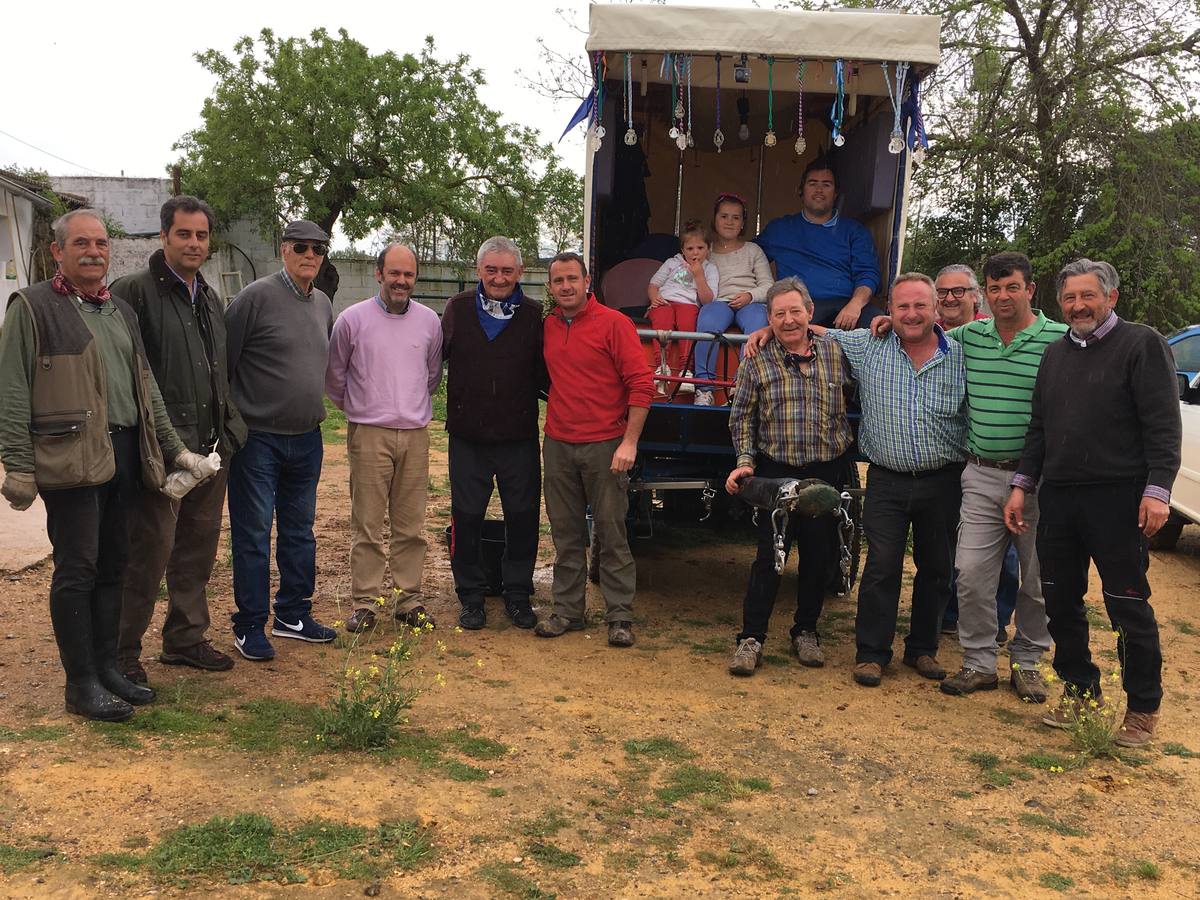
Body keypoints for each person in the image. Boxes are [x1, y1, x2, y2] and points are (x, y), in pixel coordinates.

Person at [0, 209, 207, 721]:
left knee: (116, 563)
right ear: (58, 252)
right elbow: (12, 391)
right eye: (82, 244)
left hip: (125, 454)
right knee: (78, 569)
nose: (94, 252)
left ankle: (109, 667)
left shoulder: (117, 310)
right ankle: (81, 683)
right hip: (70, 458)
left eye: (101, 244)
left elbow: (146, 387)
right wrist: (18, 465)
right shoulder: (32, 307)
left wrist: (175, 449)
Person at [746, 273, 966, 686]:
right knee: (881, 567)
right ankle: (872, 653)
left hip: (944, 479)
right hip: (887, 479)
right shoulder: (867, 344)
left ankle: (923, 649)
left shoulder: (962, 352)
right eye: (902, 306)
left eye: (920, 305)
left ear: (936, 309)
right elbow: (806, 332)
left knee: (937, 568)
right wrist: (767, 328)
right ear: (889, 311)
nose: (911, 314)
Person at [1005, 259, 1181, 747]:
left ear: (1111, 298)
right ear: (1059, 303)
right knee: (1059, 601)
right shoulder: (1055, 354)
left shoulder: (1142, 344)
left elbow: (1164, 425)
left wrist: (1157, 490)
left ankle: (1143, 708)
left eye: (1088, 296)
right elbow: (1038, 428)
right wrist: (1022, 485)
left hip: (1119, 498)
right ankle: (1081, 691)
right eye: (1069, 298)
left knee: (1127, 605)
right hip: (1059, 498)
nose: (1078, 306)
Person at [876, 253, 1065, 701]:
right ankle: (980, 663)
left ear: (1029, 290)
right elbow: (919, 332)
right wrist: (883, 323)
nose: (1003, 296)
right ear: (987, 292)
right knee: (970, 573)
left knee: (1037, 578)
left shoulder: (1058, 340)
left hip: (1039, 479)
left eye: (1012, 287)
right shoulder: (967, 337)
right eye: (995, 288)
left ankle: (1028, 662)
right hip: (980, 473)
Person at [111, 196, 245, 683]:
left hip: (211, 451)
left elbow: (217, 371)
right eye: (184, 234)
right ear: (163, 236)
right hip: (162, 456)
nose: (193, 243)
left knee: (196, 550)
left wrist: (228, 433)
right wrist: (160, 447)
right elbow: (127, 375)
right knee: (147, 553)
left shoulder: (208, 296)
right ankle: (122, 651)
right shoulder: (133, 293)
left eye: (201, 235)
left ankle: (184, 638)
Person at [725, 277, 854, 676]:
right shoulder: (756, 358)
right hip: (777, 472)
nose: (788, 320)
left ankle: (806, 631)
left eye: (795, 311)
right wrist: (745, 461)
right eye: (778, 313)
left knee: (819, 557)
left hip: (826, 470)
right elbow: (742, 416)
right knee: (770, 557)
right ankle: (751, 638)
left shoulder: (839, 352)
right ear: (769, 319)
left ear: (810, 313)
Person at [225, 220, 337, 660]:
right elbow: (225, 363)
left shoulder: (323, 303)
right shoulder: (255, 297)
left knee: (299, 533)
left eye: (319, 249)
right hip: (259, 441)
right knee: (253, 535)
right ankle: (249, 624)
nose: (311, 255)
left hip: (307, 438)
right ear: (284, 250)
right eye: (303, 247)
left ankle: (292, 614)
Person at [536, 252, 654, 647]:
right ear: (550, 287)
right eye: (558, 281)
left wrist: (630, 443)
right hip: (558, 443)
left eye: (573, 278)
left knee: (611, 531)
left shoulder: (615, 324)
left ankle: (619, 616)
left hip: (606, 444)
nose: (566, 286)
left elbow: (641, 385)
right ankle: (568, 611)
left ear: (587, 282)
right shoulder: (548, 327)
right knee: (566, 533)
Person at [328, 243, 442, 635]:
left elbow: (431, 377)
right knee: (368, 523)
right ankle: (365, 603)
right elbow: (336, 377)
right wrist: (365, 409)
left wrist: (404, 407)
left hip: (414, 433)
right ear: (379, 274)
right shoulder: (351, 320)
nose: (401, 281)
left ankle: (409, 600)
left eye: (408, 274)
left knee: (411, 525)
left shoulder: (430, 322)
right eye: (394, 273)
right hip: (369, 433)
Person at [440, 237, 544, 631]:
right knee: (466, 518)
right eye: (491, 270)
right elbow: (431, 357)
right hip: (468, 438)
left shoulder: (534, 316)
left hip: (517, 437)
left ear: (519, 273)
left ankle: (517, 594)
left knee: (523, 518)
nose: (499, 278)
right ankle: (471, 596)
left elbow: (545, 374)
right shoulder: (458, 309)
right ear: (478, 270)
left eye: (506, 270)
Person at [754, 158, 883, 330]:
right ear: (801, 190)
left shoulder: (855, 231)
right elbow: (747, 255)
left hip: (845, 306)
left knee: (878, 323)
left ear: (836, 193)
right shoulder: (780, 229)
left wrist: (855, 305)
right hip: (796, 306)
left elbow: (868, 273)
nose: (819, 190)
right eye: (813, 183)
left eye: (827, 184)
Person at [693, 193, 773, 407]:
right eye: (724, 216)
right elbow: (685, 278)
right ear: (714, 219)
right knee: (708, 322)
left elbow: (769, 286)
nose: (729, 222)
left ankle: (742, 385)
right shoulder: (704, 251)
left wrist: (749, 296)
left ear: (743, 223)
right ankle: (704, 388)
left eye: (736, 218)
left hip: (750, 302)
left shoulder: (753, 250)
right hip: (718, 301)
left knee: (757, 324)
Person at [646, 219, 718, 395]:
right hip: (665, 301)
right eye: (690, 249)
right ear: (682, 250)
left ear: (708, 248)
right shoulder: (672, 262)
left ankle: (686, 369)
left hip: (689, 304)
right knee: (663, 319)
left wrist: (699, 275)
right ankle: (662, 366)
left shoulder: (710, 268)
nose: (695, 253)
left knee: (688, 320)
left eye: (700, 248)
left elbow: (708, 300)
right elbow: (653, 284)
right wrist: (654, 298)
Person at [934, 264, 989, 328]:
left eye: (958, 291)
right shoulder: (927, 333)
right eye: (942, 292)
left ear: (974, 295)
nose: (949, 299)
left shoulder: (994, 331)